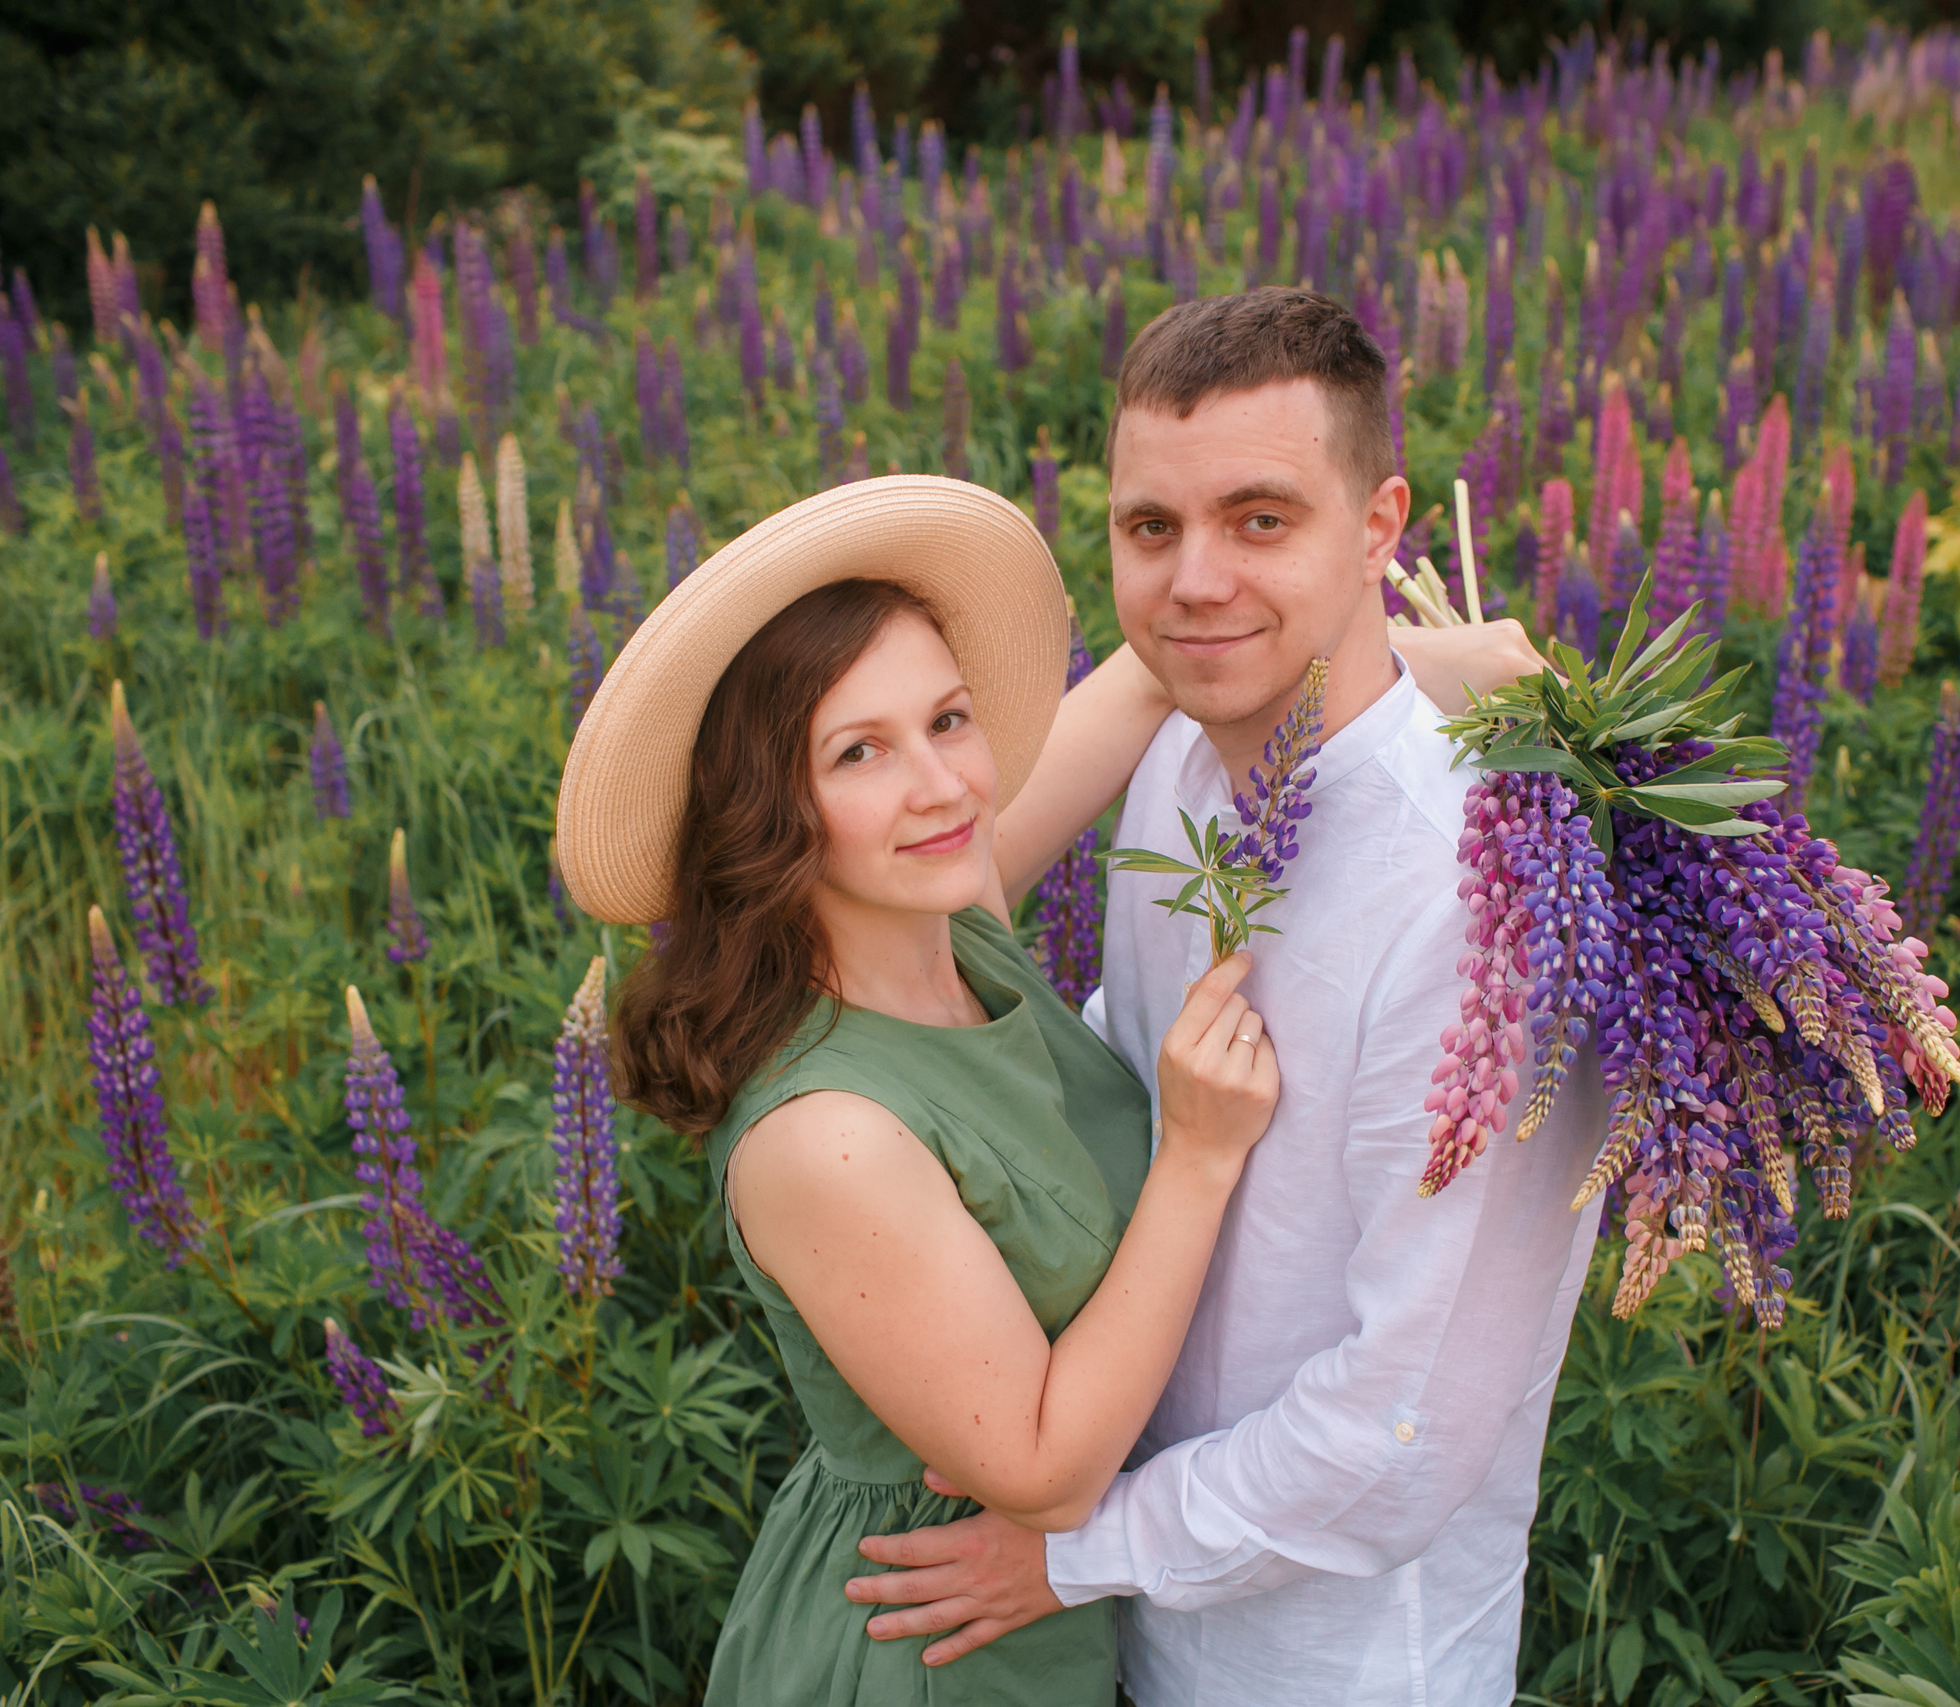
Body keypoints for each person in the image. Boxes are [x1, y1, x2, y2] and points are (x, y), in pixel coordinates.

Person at [553, 473, 1541, 1706]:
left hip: (1054, 1619)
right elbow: (1046, 1471)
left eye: (951, 720)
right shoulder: (826, 1137)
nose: (945, 786)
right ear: (765, 813)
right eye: (859, 751)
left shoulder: (947, 924)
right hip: (930, 1636)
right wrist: (1194, 1154)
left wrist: (1423, 664)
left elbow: (1152, 670)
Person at [846, 289, 1604, 1706]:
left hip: (1340, 1661)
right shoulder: (1182, 774)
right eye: (1151, 527)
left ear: (1381, 526)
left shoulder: (1483, 897)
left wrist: (1072, 1548)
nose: (1195, 579)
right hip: (1125, 1625)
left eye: (1261, 519)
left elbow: (1407, 1426)